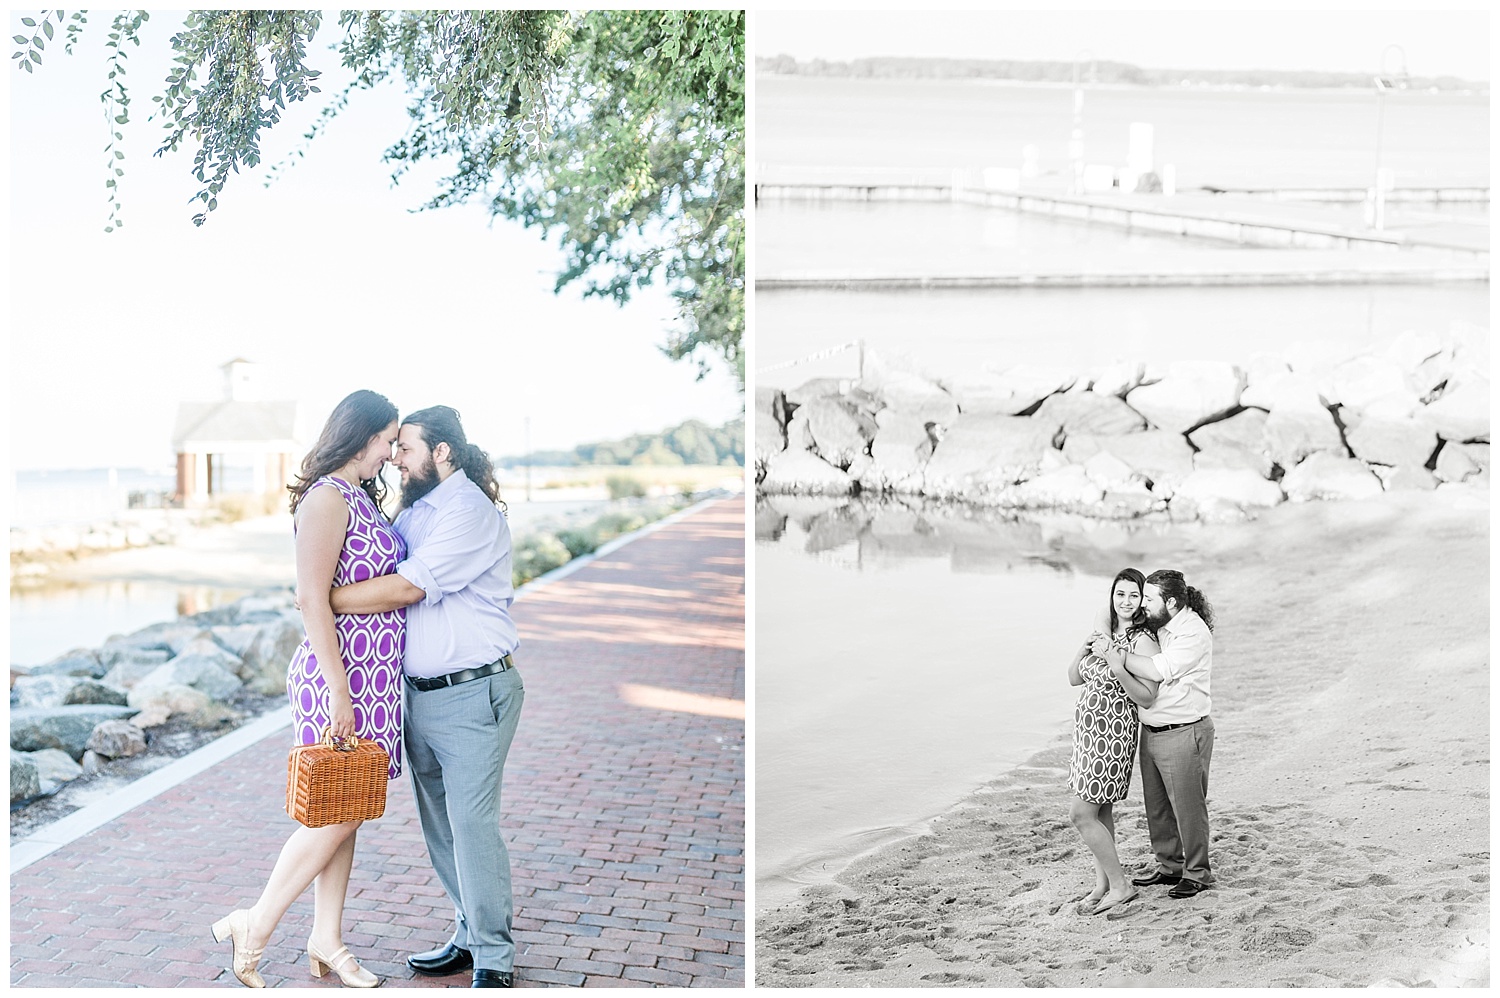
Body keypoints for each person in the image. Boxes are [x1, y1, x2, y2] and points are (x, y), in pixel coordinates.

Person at [324, 405, 524, 989]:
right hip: (421, 698)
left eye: (404, 448)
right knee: (439, 826)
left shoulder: (468, 511)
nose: (394, 458)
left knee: (471, 824)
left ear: (442, 452)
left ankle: (494, 956)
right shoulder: (415, 513)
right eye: (393, 448)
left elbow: (408, 587)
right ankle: (467, 933)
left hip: (475, 691)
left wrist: (324, 599)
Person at [212, 389, 405, 989]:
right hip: (341, 674)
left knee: (347, 809)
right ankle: (258, 923)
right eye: (387, 440)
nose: (392, 452)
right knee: (336, 812)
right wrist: (339, 688)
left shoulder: (360, 498)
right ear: (362, 435)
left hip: (376, 676)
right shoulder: (326, 498)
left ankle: (328, 937)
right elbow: (309, 597)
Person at [1097, 568, 1215, 900]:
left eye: (1148, 599)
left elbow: (1154, 670)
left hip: (1184, 730)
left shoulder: (1193, 633)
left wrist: (1115, 656)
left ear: (1172, 602)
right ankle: (1170, 867)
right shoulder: (1161, 622)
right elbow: (1102, 613)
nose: (1141, 605)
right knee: (1158, 807)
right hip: (1152, 729)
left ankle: (1197, 874)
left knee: (1188, 808)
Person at [1066, 568, 1160, 916]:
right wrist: (1085, 648)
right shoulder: (1103, 633)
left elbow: (1147, 697)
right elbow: (1075, 678)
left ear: (1142, 601)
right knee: (1100, 811)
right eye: (1120, 594)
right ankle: (1103, 884)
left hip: (1113, 735)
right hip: (1087, 735)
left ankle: (1121, 885)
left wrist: (1117, 665)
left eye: (1133, 595)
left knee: (1080, 813)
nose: (1125, 601)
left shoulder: (1142, 641)